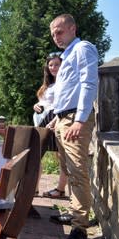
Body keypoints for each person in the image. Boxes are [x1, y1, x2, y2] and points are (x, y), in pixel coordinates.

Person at [48, 14, 98, 239]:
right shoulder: (66, 55)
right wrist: (57, 118)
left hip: (75, 120)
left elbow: (89, 84)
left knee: (77, 172)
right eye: (53, 34)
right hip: (62, 119)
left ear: (72, 27)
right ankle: (73, 212)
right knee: (68, 169)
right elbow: (67, 92)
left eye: (59, 31)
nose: (56, 37)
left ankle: (80, 229)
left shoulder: (82, 48)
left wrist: (79, 120)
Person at [32, 54, 68, 199]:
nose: (53, 67)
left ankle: (60, 189)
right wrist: (36, 105)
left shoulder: (64, 82)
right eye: (51, 65)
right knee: (35, 155)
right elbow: (44, 102)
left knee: (61, 156)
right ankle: (34, 189)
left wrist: (53, 122)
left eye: (56, 64)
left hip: (54, 119)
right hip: (41, 119)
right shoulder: (47, 84)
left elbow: (60, 104)